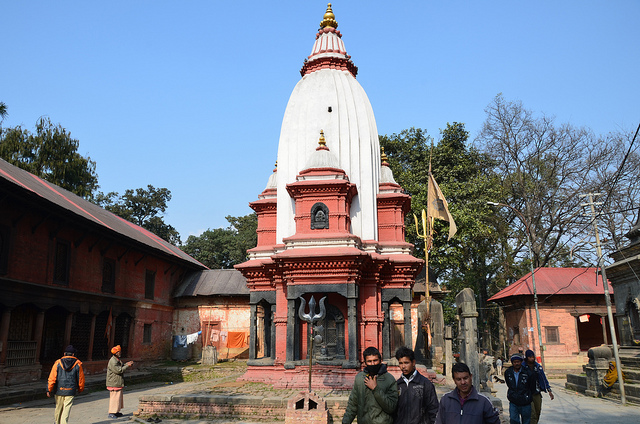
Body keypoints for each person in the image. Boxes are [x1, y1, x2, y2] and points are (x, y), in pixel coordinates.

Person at [342, 346, 398, 424]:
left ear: (380, 360)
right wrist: (345, 422)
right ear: (365, 362)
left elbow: (391, 407)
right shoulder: (359, 378)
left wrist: (375, 389)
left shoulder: (389, 379)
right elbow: (353, 404)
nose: (372, 364)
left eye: (375, 360)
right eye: (369, 361)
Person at [435, 362, 500, 424]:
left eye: (465, 378)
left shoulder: (483, 402)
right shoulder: (446, 400)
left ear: (470, 377)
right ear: (454, 380)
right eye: (459, 379)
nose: (463, 382)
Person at [394, 346, 438, 424]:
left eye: (406, 363)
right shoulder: (397, 385)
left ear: (413, 362)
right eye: (400, 363)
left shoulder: (425, 384)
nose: (403, 366)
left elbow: (433, 410)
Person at [47, 344, 85, 424]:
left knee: (58, 408)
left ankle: (57, 422)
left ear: (64, 354)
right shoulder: (78, 364)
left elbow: (52, 377)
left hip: (59, 389)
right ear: (73, 354)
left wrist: (49, 389)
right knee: (66, 408)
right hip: (70, 390)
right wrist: (80, 388)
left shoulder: (57, 363)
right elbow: (80, 378)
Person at [504, 353, 536, 424]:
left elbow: (532, 386)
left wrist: (527, 395)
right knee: (513, 419)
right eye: (515, 362)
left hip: (525, 401)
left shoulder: (528, 372)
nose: (516, 364)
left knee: (526, 421)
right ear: (512, 363)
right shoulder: (508, 372)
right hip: (513, 401)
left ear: (521, 362)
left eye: (518, 362)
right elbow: (509, 384)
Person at [524, 350, 554, 424]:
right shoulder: (523, 367)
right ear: (527, 357)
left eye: (533, 357)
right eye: (530, 357)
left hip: (537, 392)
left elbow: (543, 378)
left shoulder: (537, 367)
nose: (532, 358)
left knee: (538, 412)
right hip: (527, 393)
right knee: (532, 414)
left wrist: (549, 390)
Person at [106, 345, 134, 419]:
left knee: (118, 398)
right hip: (114, 382)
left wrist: (126, 364)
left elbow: (120, 367)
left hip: (117, 382)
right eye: (119, 352)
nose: (120, 353)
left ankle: (116, 411)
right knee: (114, 398)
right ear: (116, 352)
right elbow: (119, 370)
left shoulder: (117, 359)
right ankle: (111, 412)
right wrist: (127, 366)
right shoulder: (112, 361)